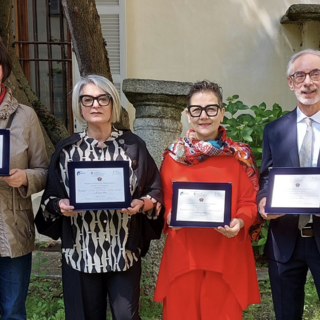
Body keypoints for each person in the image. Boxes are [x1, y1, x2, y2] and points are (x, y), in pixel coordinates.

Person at [36, 74, 164, 320]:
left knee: (126, 317)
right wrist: (60, 204)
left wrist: (141, 204)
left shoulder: (134, 146)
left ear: (112, 103)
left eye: (102, 99)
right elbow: (49, 198)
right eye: (87, 100)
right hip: (80, 251)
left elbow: (155, 191)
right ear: (79, 107)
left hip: (123, 252)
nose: (95, 105)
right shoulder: (66, 151)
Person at [154, 80, 260, 320]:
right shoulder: (173, 156)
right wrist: (170, 216)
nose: (204, 116)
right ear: (188, 115)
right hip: (185, 254)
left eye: (211, 109)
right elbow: (166, 201)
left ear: (222, 113)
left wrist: (241, 222)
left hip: (226, 252)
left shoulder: (240, 156)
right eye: (197, 110)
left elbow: (248, 203)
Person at [257, 49, 320, 320]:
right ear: (290, 82)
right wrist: (263, 201)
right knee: (285, 314)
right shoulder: (274, 130)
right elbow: (266, 177)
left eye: (316, 73)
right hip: (284, 238)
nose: (308, 82)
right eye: (300, 75)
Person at [0, 40, 48, 319]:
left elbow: (44, 171)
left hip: (12, 231)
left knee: (12, 311)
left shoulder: (25, 116)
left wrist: (24, 177)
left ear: (4, 69)